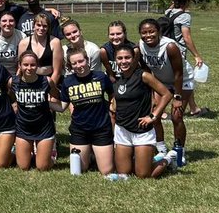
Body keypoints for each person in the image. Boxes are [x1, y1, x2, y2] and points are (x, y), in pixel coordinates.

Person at [112, 44, 176, 179]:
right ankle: (143, 160)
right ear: (116, 60)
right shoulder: (118, 78)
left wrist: (153, 115)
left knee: (143, 175)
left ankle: (169, 158)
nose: (124, 61)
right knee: (124, 173)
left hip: (142, 130)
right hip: (122, 130)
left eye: (127, 58)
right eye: (120, 58)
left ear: (134, 58)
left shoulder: (144, 76)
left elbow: (166, 94)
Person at [138, 17, 187, 163]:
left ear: (159, 31)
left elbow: (179, 73)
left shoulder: (170, 46)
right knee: (155, 114)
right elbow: (146, 68)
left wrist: (177, 97)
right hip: (162, 81)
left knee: (176, 116)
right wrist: (151, 92)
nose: (148, 35)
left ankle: (180, 151)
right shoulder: (141, 45)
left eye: (152, 31)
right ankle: (161, 149)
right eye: (144, 32)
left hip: (182, 81)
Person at [59, 47, 115, 176]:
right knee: (79, 169)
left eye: (81, 61)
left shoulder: (101, 77)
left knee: (106, 171)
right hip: (80, 129)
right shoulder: (68, 82)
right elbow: (62, 106)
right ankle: (91, 154)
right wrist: (45, 101)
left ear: (87, 60)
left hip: (101, 128)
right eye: (74, 63)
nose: (79, 65)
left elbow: (112, 94)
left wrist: (112, 106)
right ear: (70, 65)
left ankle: (96, 153)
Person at [11, 51, 62, 171]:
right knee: (23, 166)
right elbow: (11, 97)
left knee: (42, 167)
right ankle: (27, 151)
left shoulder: (46, 81)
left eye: (33, 65)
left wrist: (49, 104)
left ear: (37, 66)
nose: (29, 68)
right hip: (23, 127)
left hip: (44, 128)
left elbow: (56, 96)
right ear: (20, 65)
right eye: (25, 64)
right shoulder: (14, 82)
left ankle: (51, 152)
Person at [166, 0, 207, 117]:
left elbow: (171, 8)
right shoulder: (184, 16)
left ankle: (194, 108)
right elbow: (187, 38)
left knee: (184, 79)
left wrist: (174, 2)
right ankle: (161, 110)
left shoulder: (168, 12)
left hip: (166, 50)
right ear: (187, 2)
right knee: (184, 79)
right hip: (178, 52)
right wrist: (196, 55)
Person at [19, 12, 63, 80]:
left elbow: (57, 71)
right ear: (34, 26)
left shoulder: (55, 42)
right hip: (29, 81)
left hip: (49, 79)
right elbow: (20, 68)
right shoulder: (23, 43)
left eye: (45, 26)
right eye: (38, 25)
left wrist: (50, 87)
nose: (41, 28)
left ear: (48, 28)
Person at [0, 11, 23, 76]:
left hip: (17, 73)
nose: (8, 24)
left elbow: (23, 61)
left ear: (15, 23)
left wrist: (17, 77)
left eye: (11, 21)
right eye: (4, 21)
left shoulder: (22, 36)